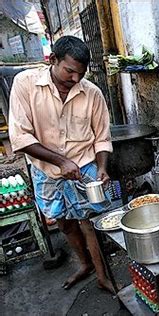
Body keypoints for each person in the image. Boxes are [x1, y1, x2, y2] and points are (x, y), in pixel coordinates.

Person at [8, 36, 115, 293]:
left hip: (85, 167)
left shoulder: (92, 93)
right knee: (64, 222)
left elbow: (101, 137)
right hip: (46, 170)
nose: (76, 79)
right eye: (69, 71)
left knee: (90, 221)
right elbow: (21, 138)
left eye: (81, 73)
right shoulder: (25, 84)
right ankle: (84, 264)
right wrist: (60, 161)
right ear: (52, 60)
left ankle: (103, 275)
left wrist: (102, 167)